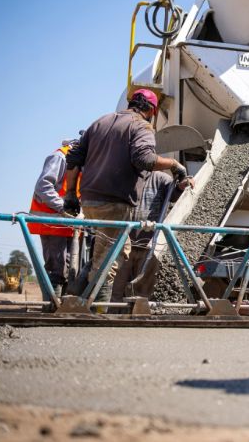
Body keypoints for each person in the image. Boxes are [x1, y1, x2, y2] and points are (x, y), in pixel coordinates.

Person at [64, 89, 188, 305]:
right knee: (111, 259)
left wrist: (70, 196)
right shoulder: (141, 125)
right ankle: (96, 312)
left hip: (89, 200)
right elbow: (145, 159)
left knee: (101, 256)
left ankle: (78, 298)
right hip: (115, 202)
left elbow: (73, 158)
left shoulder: (100, 122)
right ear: (151, 111)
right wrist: (174, 164)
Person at [110, 170, 192, 303]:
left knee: (142, 293)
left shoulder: (161, 179)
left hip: (148, 246)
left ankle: (137, 319)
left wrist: (181, 186)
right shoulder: (124, 175)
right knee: (115, 289)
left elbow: (175, 194)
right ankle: (111, 318)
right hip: (123, 244)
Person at [28, 138, 81, 301]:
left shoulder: (79, 162)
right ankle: (51, 309)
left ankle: (60, 309)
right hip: (52, 222)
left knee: (67, 270)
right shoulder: (60, 157)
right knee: (56, 269)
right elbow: (43, 187)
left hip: (66, 224)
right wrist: (64, 207)